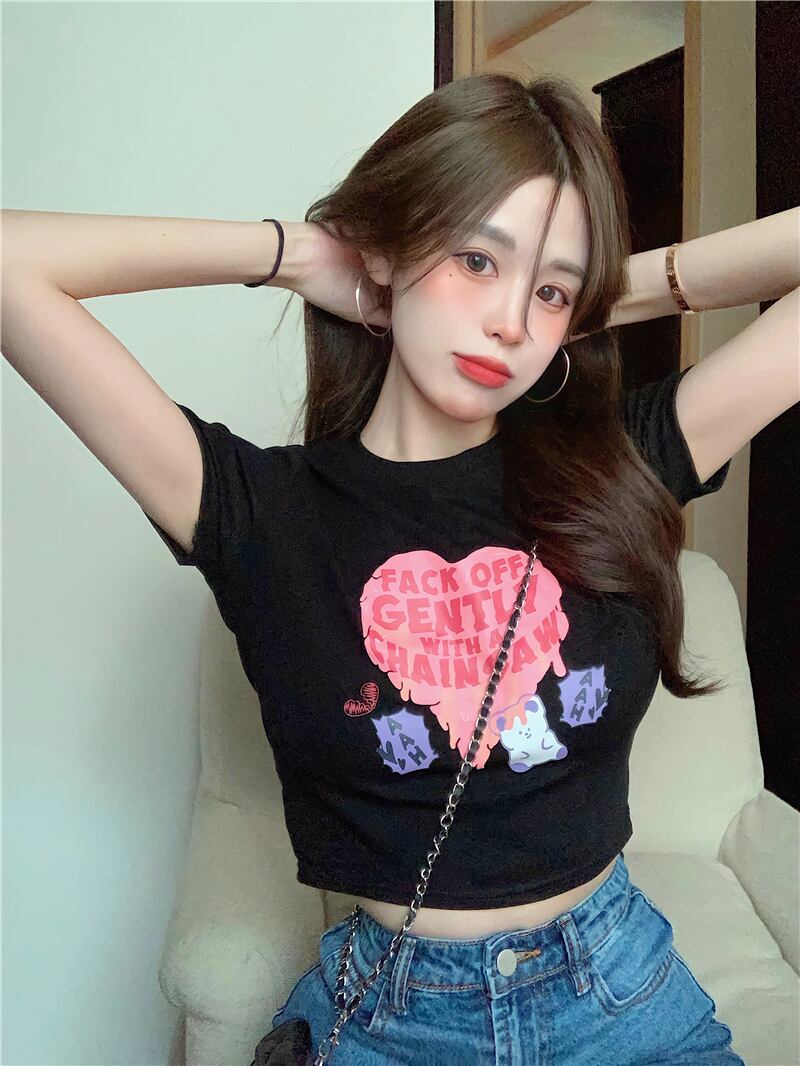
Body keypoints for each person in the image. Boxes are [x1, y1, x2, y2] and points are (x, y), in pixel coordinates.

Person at [4, 71, 798, 1065]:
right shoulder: (257, 510)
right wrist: (300, 254)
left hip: (620, 996)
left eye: (547, 291)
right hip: (391, 1018)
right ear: (388, 251)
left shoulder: (619, 465)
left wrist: (600, 291)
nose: (510, 323)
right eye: (476, 259)